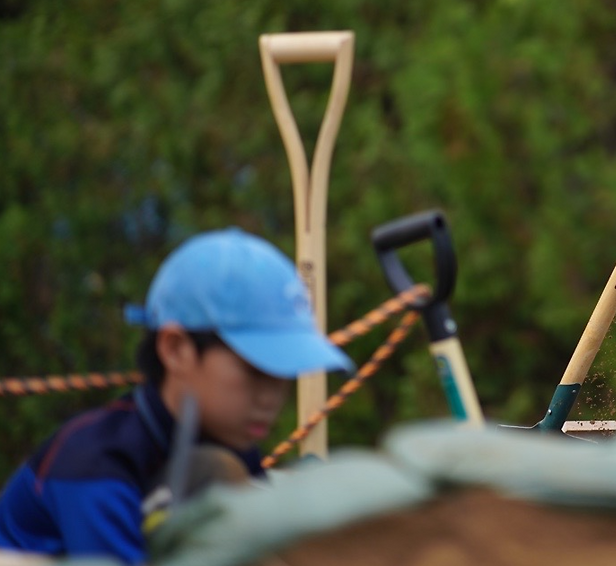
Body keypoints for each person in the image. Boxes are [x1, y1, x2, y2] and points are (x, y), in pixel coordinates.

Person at [0, 228, 354, 564]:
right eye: (256, 371)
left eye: (284, 375)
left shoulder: (229, 448)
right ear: (175, 349)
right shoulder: (94, 467)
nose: (272, 398)